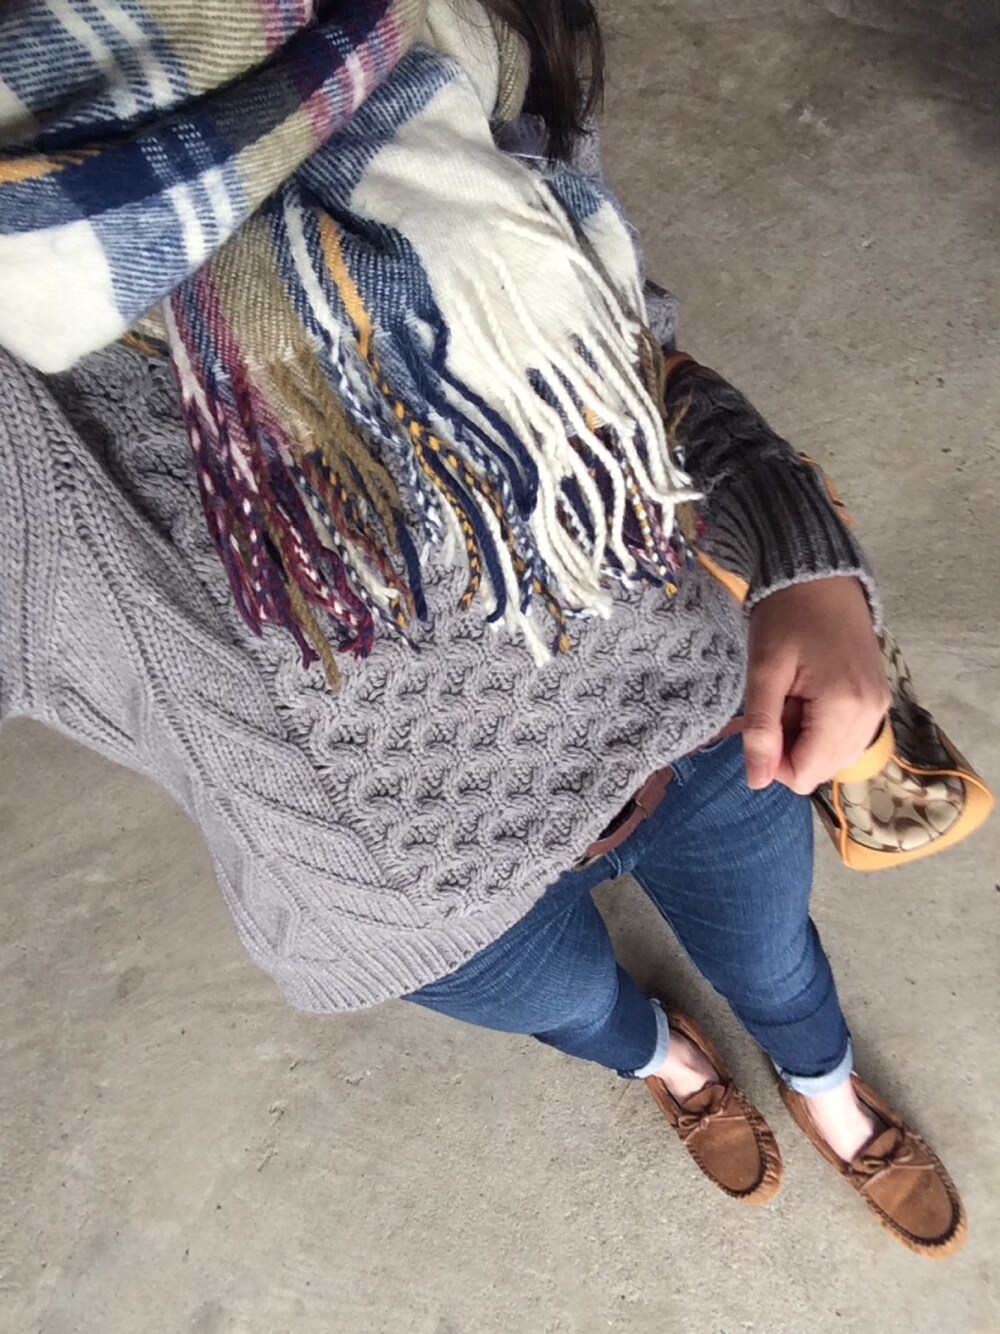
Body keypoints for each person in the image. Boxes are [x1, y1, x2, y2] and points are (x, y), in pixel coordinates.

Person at [0, 0, 966, 1257]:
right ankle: (670, 1064)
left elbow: (631, 363)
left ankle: (826, 1088)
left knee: (777, 962)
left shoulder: (447, 33)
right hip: (409, 899)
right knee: (590, 1016)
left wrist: (798, 551)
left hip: (692, 727)